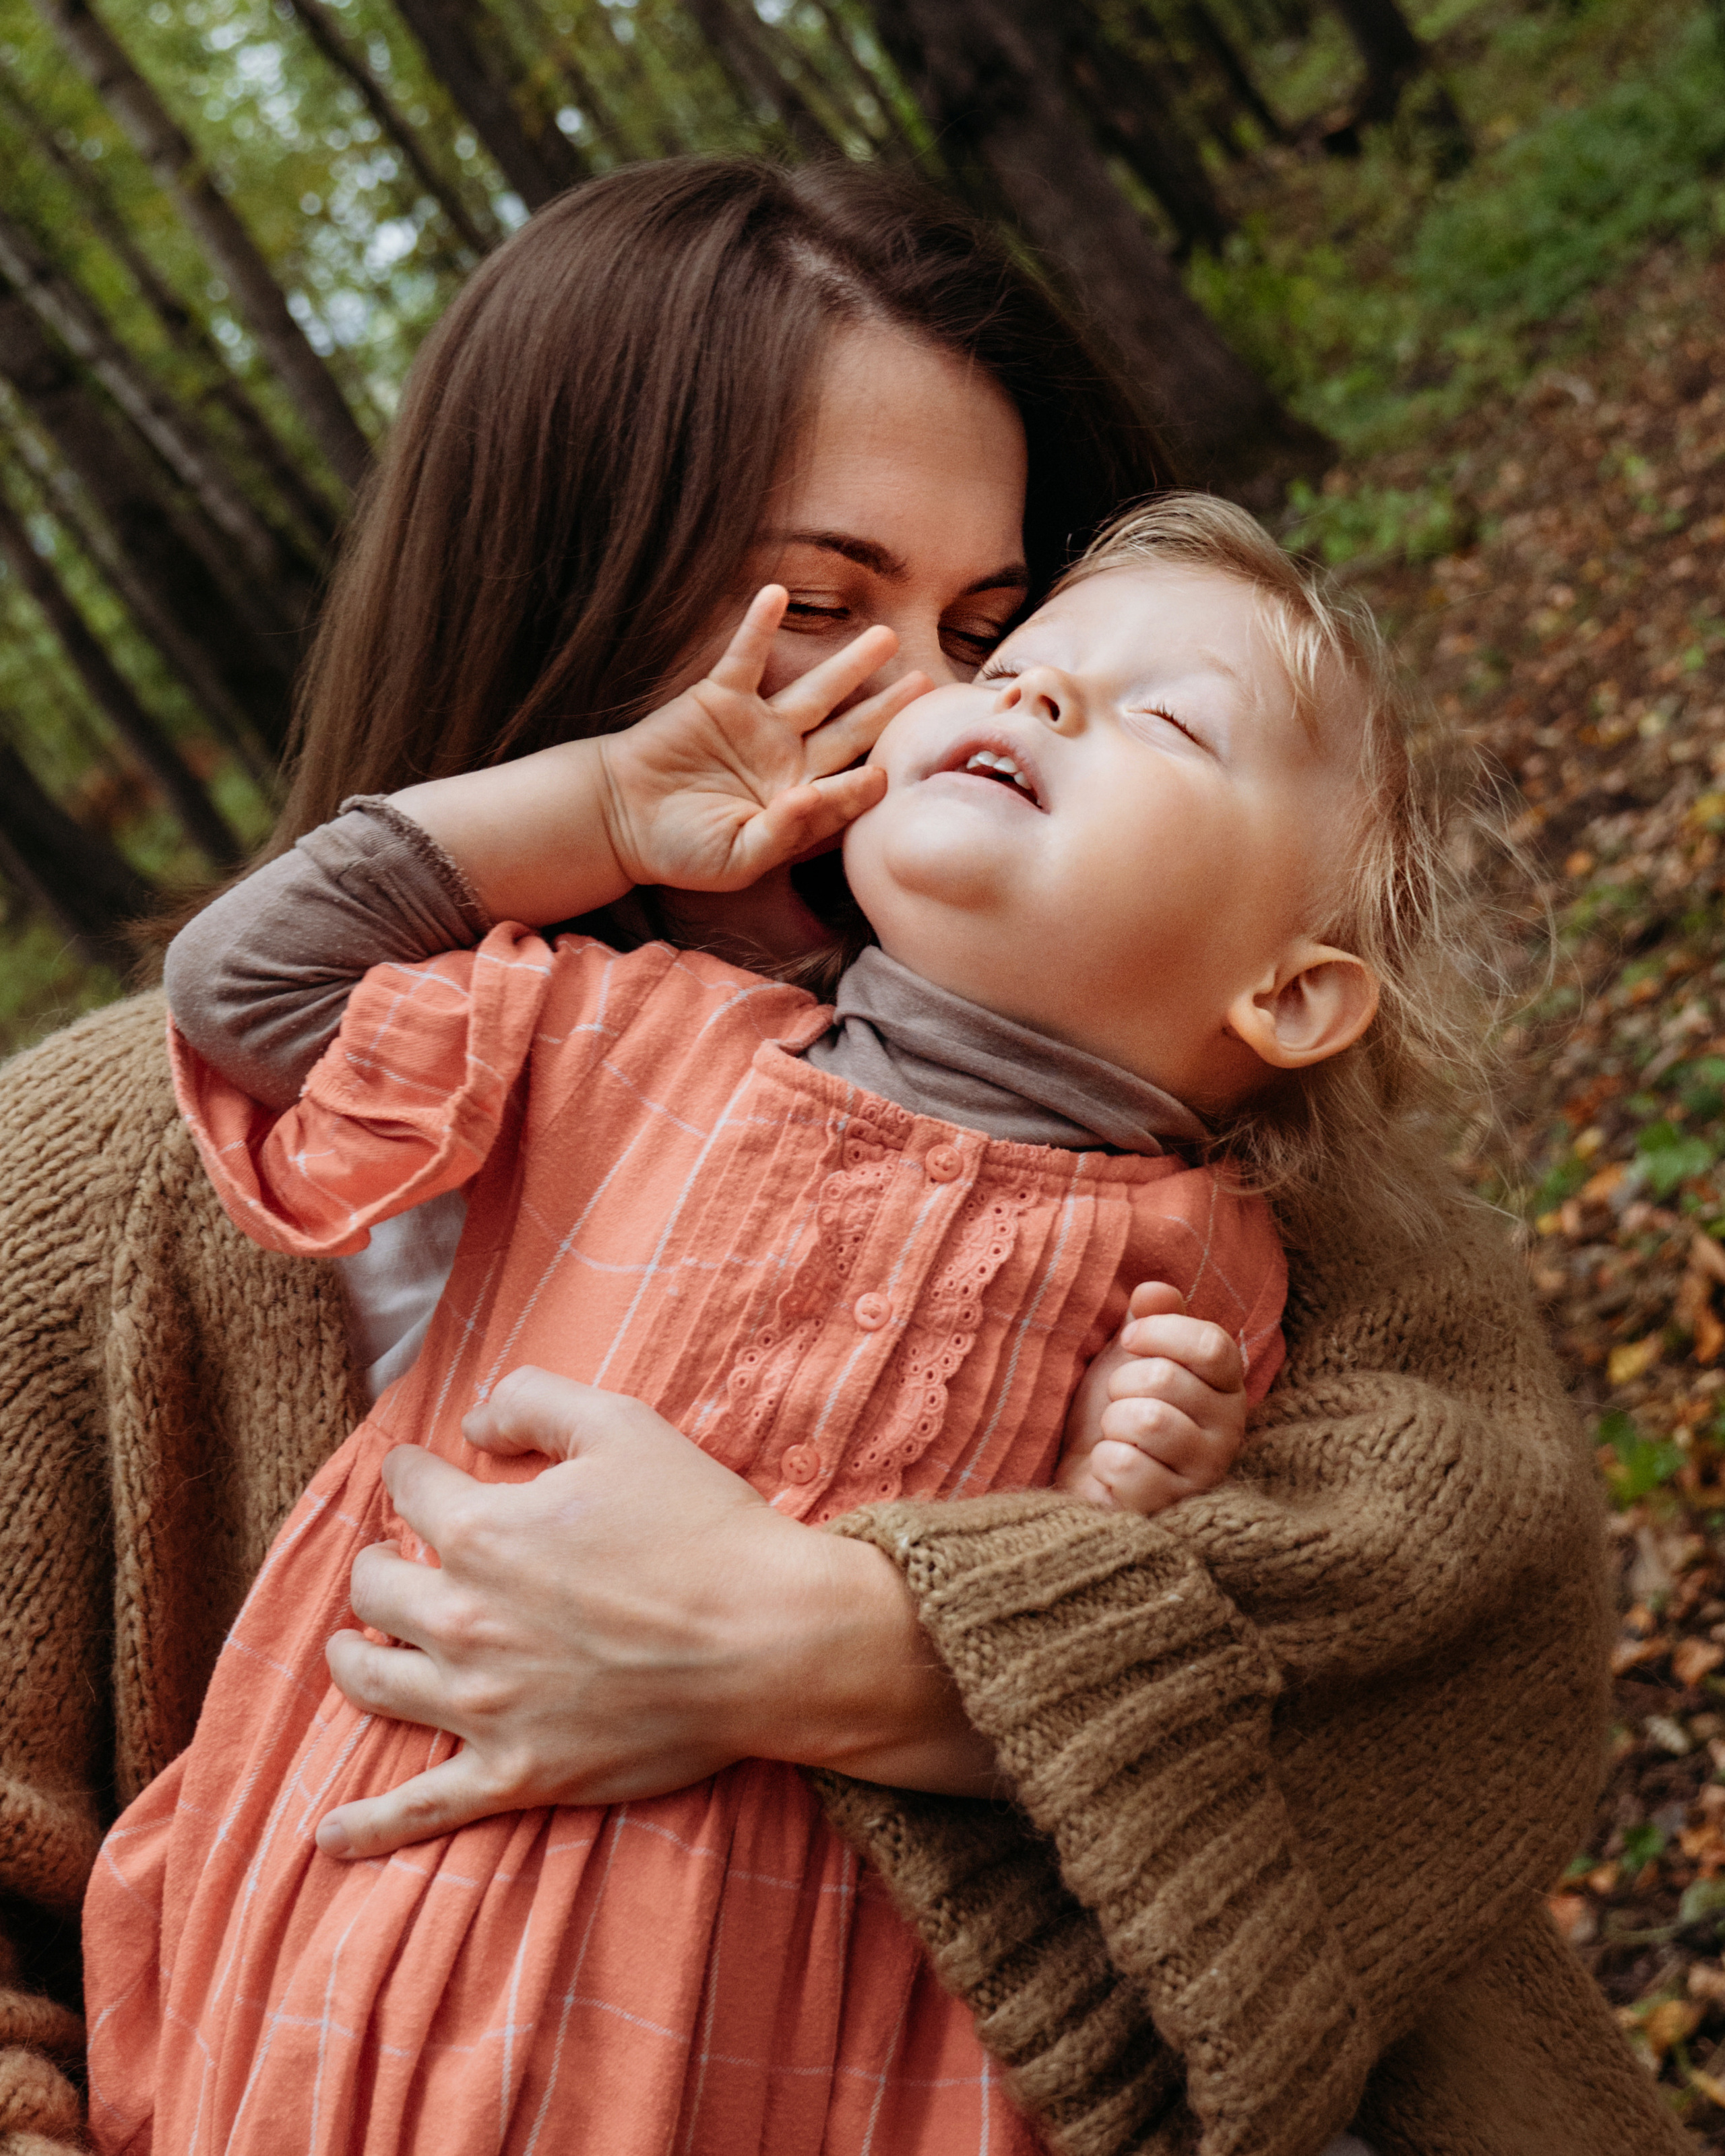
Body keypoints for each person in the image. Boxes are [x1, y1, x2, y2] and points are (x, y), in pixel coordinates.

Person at [0, 158, 1677, 2156]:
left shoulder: (1170, 1091)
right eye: (819, 607)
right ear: (563, 585)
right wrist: (591, 815)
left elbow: (1465, 1639)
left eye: (988, 618)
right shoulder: (144, 1156)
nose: (939, 700)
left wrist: (826, 1643)